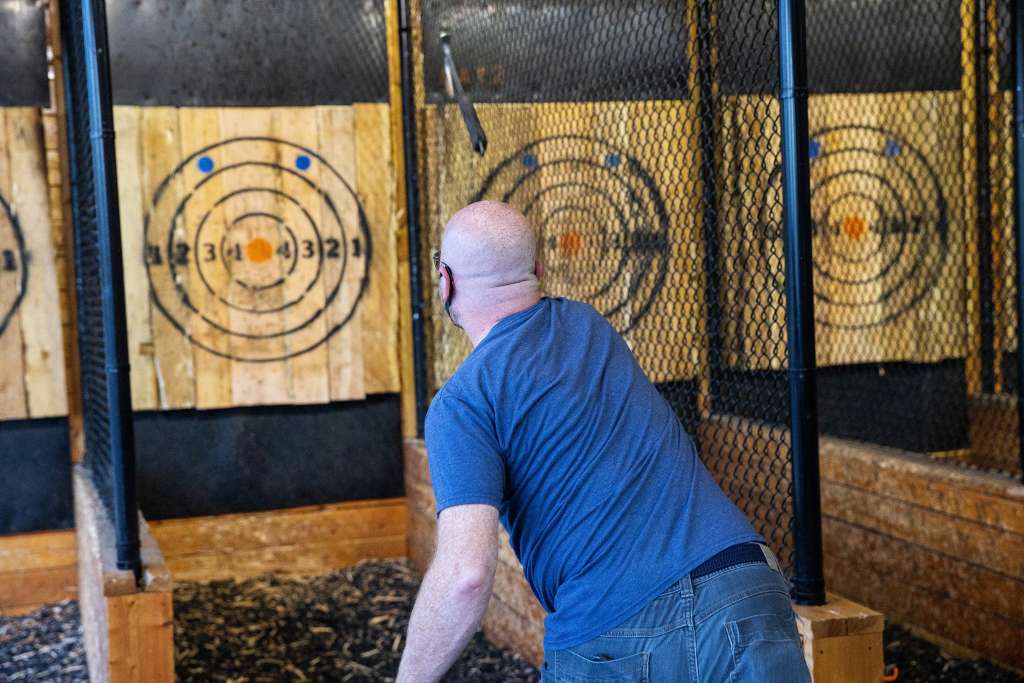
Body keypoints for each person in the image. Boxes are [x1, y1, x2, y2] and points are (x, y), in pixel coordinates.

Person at [396, 201, 810, 682]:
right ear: (538, 269)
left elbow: (465, 576)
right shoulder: (591, 326)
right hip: (748, 586)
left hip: (618, 629)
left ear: (444, 282)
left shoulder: (462, 403)